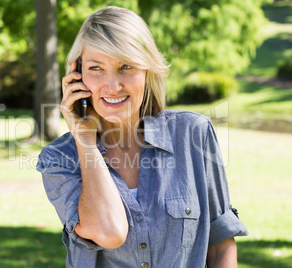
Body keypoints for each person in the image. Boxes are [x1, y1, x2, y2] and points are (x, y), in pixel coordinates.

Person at [36, 6, 248, 268]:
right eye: (96, 68)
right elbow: (109, 232)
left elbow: (220, 246)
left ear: (147, 70)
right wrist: (85, 141)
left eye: (126, 66)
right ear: (77, 75)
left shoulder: (194, 134)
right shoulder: (59, 158)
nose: (113, 86)